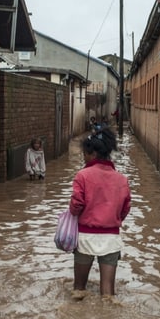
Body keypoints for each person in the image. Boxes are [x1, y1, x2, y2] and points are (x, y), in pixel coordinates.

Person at [68, 127, 131, 300]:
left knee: (79, 289)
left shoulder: (82, 175)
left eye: (85, 153)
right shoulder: (122, 179)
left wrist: (74, 212)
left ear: (93, 153)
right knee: (108, 293)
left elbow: (76, 206)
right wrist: (113, 217)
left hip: (85, 237)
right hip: (111, 238)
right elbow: (125, 209)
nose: (83, 157)